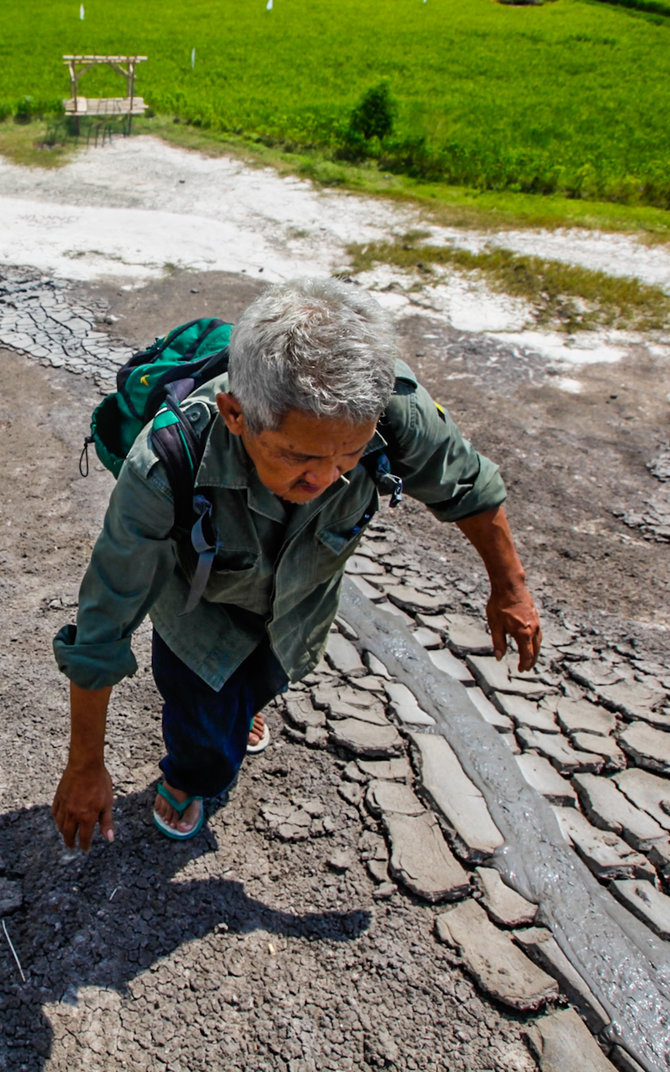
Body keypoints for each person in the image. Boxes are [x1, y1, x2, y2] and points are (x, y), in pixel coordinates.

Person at [52, 277, 541, 850]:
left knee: (263, 683)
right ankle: (192, 777)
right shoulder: (165, 460)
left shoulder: (394, 410)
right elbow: (104, 623)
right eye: (298, 457)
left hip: (299, 611)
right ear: (235, 414)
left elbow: (470, 488)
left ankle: (240, 714)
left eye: (351, 455)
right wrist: (86, 764)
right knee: (206, 740)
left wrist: (511, 588)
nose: (326, 478)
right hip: (197, 616)